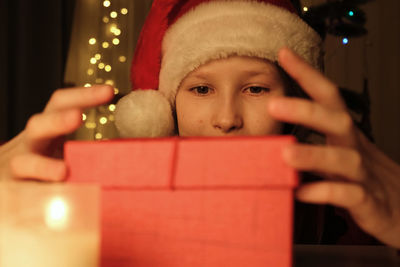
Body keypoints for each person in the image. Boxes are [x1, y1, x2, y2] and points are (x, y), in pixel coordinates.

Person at [0, 0, 399, 249]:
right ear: (163, 108)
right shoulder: (113, 203)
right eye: (202, 89)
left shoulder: (346, 207)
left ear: (294, 100)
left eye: (256, 89)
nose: (227, 119)